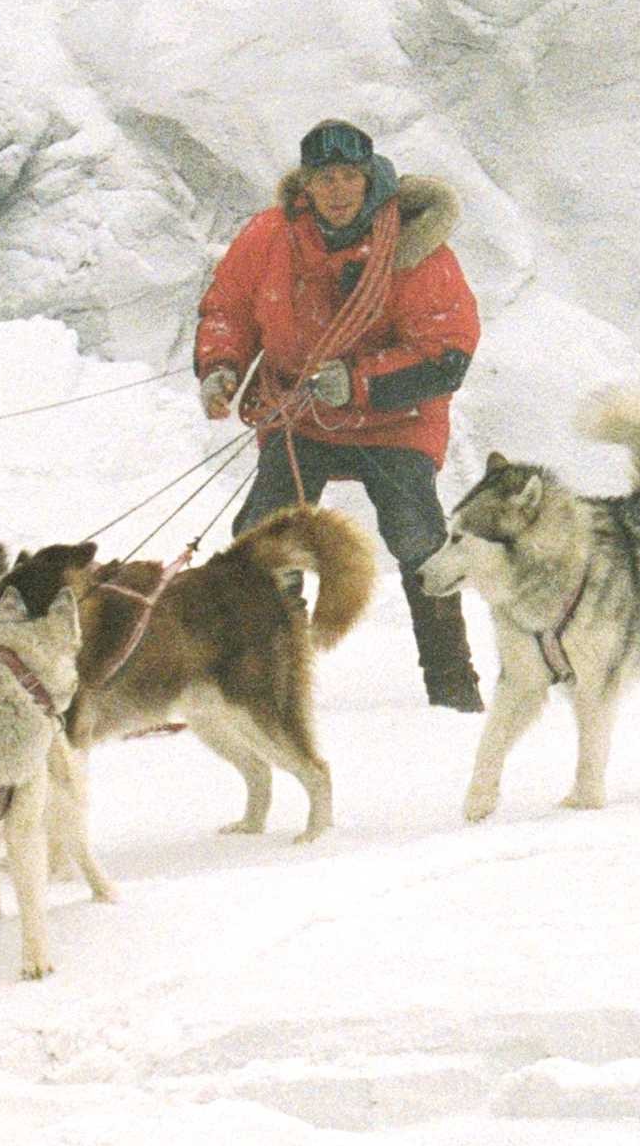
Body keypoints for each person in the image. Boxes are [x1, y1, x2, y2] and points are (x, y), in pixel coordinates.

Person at [195, 117, 486, 712]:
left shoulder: (413, 244)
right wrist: (221, 365)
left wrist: (357, 382)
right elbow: (228, 305)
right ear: (306, 183)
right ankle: (276, 677)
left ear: (368, 177)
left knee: (418, 540)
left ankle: (453, 687)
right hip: (302, 418)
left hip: (394, 423)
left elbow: (447, 355)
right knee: (264, 535)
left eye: (348, 176)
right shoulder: (270, 236)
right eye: (324, 178)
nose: (336, 190)